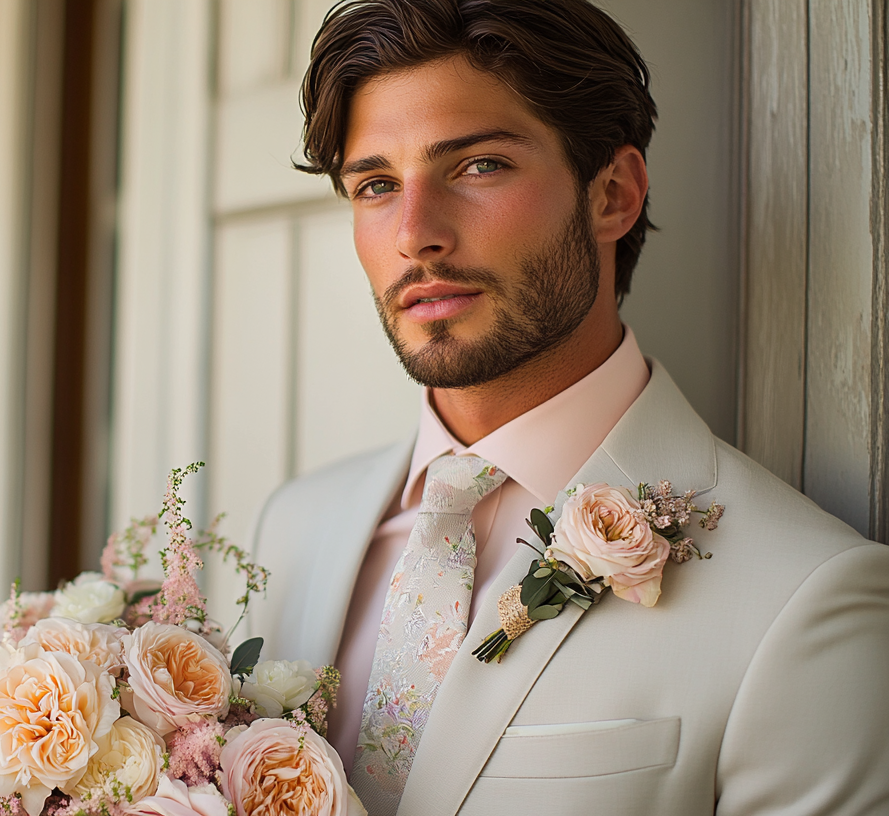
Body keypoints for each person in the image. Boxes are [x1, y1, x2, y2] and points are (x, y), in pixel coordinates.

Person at [247, 1, 889, 814]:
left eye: (478, 165)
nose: (415, 234)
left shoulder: (808, 599)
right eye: (376, 184)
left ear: (613, 195)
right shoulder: (293, 527)